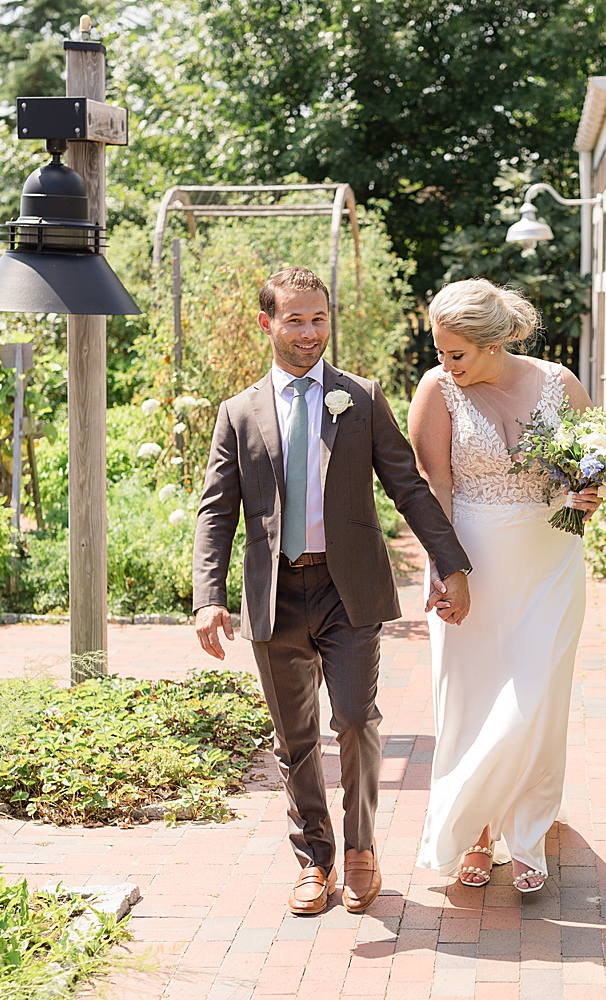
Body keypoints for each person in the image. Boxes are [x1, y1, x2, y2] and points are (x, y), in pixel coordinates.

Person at [192, 266, 473, 916]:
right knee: (294, 740)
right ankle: (312, 860)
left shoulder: (360, 397)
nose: (311, 332)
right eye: (296, 319)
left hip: (347, 592)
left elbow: (407, 485)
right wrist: (210, 596)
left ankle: (362, 851)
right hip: (274, 595)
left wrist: (449, 562)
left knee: (353, 720)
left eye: (319, 318)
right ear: (267, 324)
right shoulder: (237, 415)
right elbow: (216, 512)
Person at [408, 278, 600, 893]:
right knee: (470, 699)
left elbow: (588, 467)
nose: (445, 364)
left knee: (537, 698)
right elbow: (434, 487)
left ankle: (527, 832)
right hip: (474, 567)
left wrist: (589, 493)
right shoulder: (437, 392)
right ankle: (475, 834)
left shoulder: (559, 384)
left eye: (456, 353)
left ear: (494, 344)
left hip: (550, 561)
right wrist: (443, 568)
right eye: (439, 351)